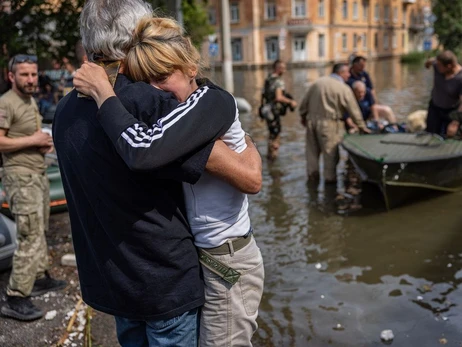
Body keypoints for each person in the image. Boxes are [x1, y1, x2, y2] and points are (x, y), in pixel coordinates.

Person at [53, 1, 261, 346]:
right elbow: (247, 175)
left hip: (114, 281)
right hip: (164, 283)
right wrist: (249, 146)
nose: (157, 84)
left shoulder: (65, 109)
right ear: (138, 36)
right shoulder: (149, 102)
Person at [0, 54, 67, 321]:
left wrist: (41, 143)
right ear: (11, 76)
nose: (30, 79)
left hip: (36, 175)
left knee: (39, 229)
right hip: (20, 177)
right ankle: (15, 297)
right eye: (24, 74)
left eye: (33, 74)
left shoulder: (29, 100)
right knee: (28, 235)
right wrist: (33, 140)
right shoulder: (6, 103)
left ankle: (38, 278)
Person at [299, 63, 369, 183]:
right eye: (347, 72)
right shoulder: (343, 88)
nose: (349, 75)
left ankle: (312, 181)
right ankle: (329, 186)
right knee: (330, 156)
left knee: (312, 155)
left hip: (311, 123)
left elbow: (303, 105)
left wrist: (303, 117)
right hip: (330, 124)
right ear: (341, 73)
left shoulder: (317, 83)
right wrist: (362, 127)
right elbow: (354, 110)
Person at [261, 60, 297, 160]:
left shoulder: (268, 78)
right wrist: (291, 102)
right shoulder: (278, 81)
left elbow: (263, 95)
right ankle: (273, 158)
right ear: (278, 68)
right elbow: (279, 97)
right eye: (283, 68)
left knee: (271, 134)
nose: (285, 70)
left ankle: (269, 157)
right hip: (273, 111)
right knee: (276, 135)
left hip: (266, 110)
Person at [348, 56, 397, 125]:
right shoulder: (347, 76)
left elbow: (371, 89)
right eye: (361, 66)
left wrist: (374, 102)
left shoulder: (364, 74)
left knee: (387, 110)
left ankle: (394, 127)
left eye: (364, 66)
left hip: (368, 104)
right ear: (354, 65)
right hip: (355, 106)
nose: (363, 68)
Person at [424, 50, 462, 135]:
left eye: (439, 66)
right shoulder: (437, 65)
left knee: (449, 135)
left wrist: (455, 122)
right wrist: (427, 64)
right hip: (435, 107)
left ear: (449, 66)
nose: (437, 67)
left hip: (451, 111)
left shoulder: (460, 78)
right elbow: (431, 61)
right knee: (430, 133)